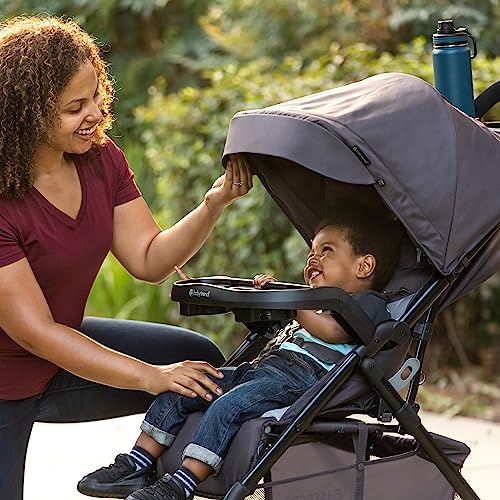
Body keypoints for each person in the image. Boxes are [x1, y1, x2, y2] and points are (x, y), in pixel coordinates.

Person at [0, 15, 253, 500]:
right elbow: (35, 331)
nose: (95, 114)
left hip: (58, 358)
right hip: (6, 373)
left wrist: (212, 205)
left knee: (200, 367)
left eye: (96, 96)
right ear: (27, 113)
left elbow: (149, 259)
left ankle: (149, 470)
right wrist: (151, 376)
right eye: (75, 107)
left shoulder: (100, 158)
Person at [77, 205, 403, 500]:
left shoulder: (367, 303)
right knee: (188, 383)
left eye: (326, 251)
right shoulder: (313, 301)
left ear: (364, 266)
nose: (312, 259)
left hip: (299, 381)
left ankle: (181, 484)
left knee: (229, 405)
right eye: (311, 252)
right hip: (263, 368)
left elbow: (333, 331)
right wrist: (271, 296)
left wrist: (292, 302)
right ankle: (137, 463)